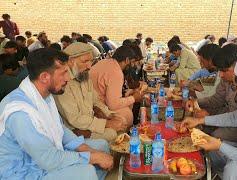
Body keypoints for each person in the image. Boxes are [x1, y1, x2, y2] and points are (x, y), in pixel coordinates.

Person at [0, 48, 114, 179]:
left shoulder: (44, 94)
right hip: (23, 172)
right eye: (64, 72)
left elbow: (60, 129)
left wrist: (87, 149)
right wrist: (91, 157)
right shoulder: (20, 114)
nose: (68, 78)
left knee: (102, 146)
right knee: (87, 172)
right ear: (44, 77)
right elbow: (49, 160)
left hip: (45, 155)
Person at [54, 42, 125, 142]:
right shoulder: (63, 82)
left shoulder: (84, 76)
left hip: (91, 122)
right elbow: (75, 119)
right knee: (112, 134)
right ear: (70, 61)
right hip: (75, 131)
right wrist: (106, 124)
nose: (89, 66)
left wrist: (110, 115)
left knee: (121, 121)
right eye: (85, 61)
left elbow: (95, 101)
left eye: (91, 61)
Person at [194, 44, 237, 141]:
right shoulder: (225, 79)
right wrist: (196, 101)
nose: (220, 75)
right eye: (219, 70)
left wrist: (207, 119)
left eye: (224, 70)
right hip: (229, 117)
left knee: (214, 135)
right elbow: (217, 100)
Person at [90, 46, 144, 126]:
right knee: (127, 115)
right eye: (132, 62)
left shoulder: (105, 62)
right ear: (127, 60)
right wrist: (134, 98)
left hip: (93, 102)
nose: (133, 66)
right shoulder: (116, 71)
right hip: (95, 107)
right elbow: (113, 105)